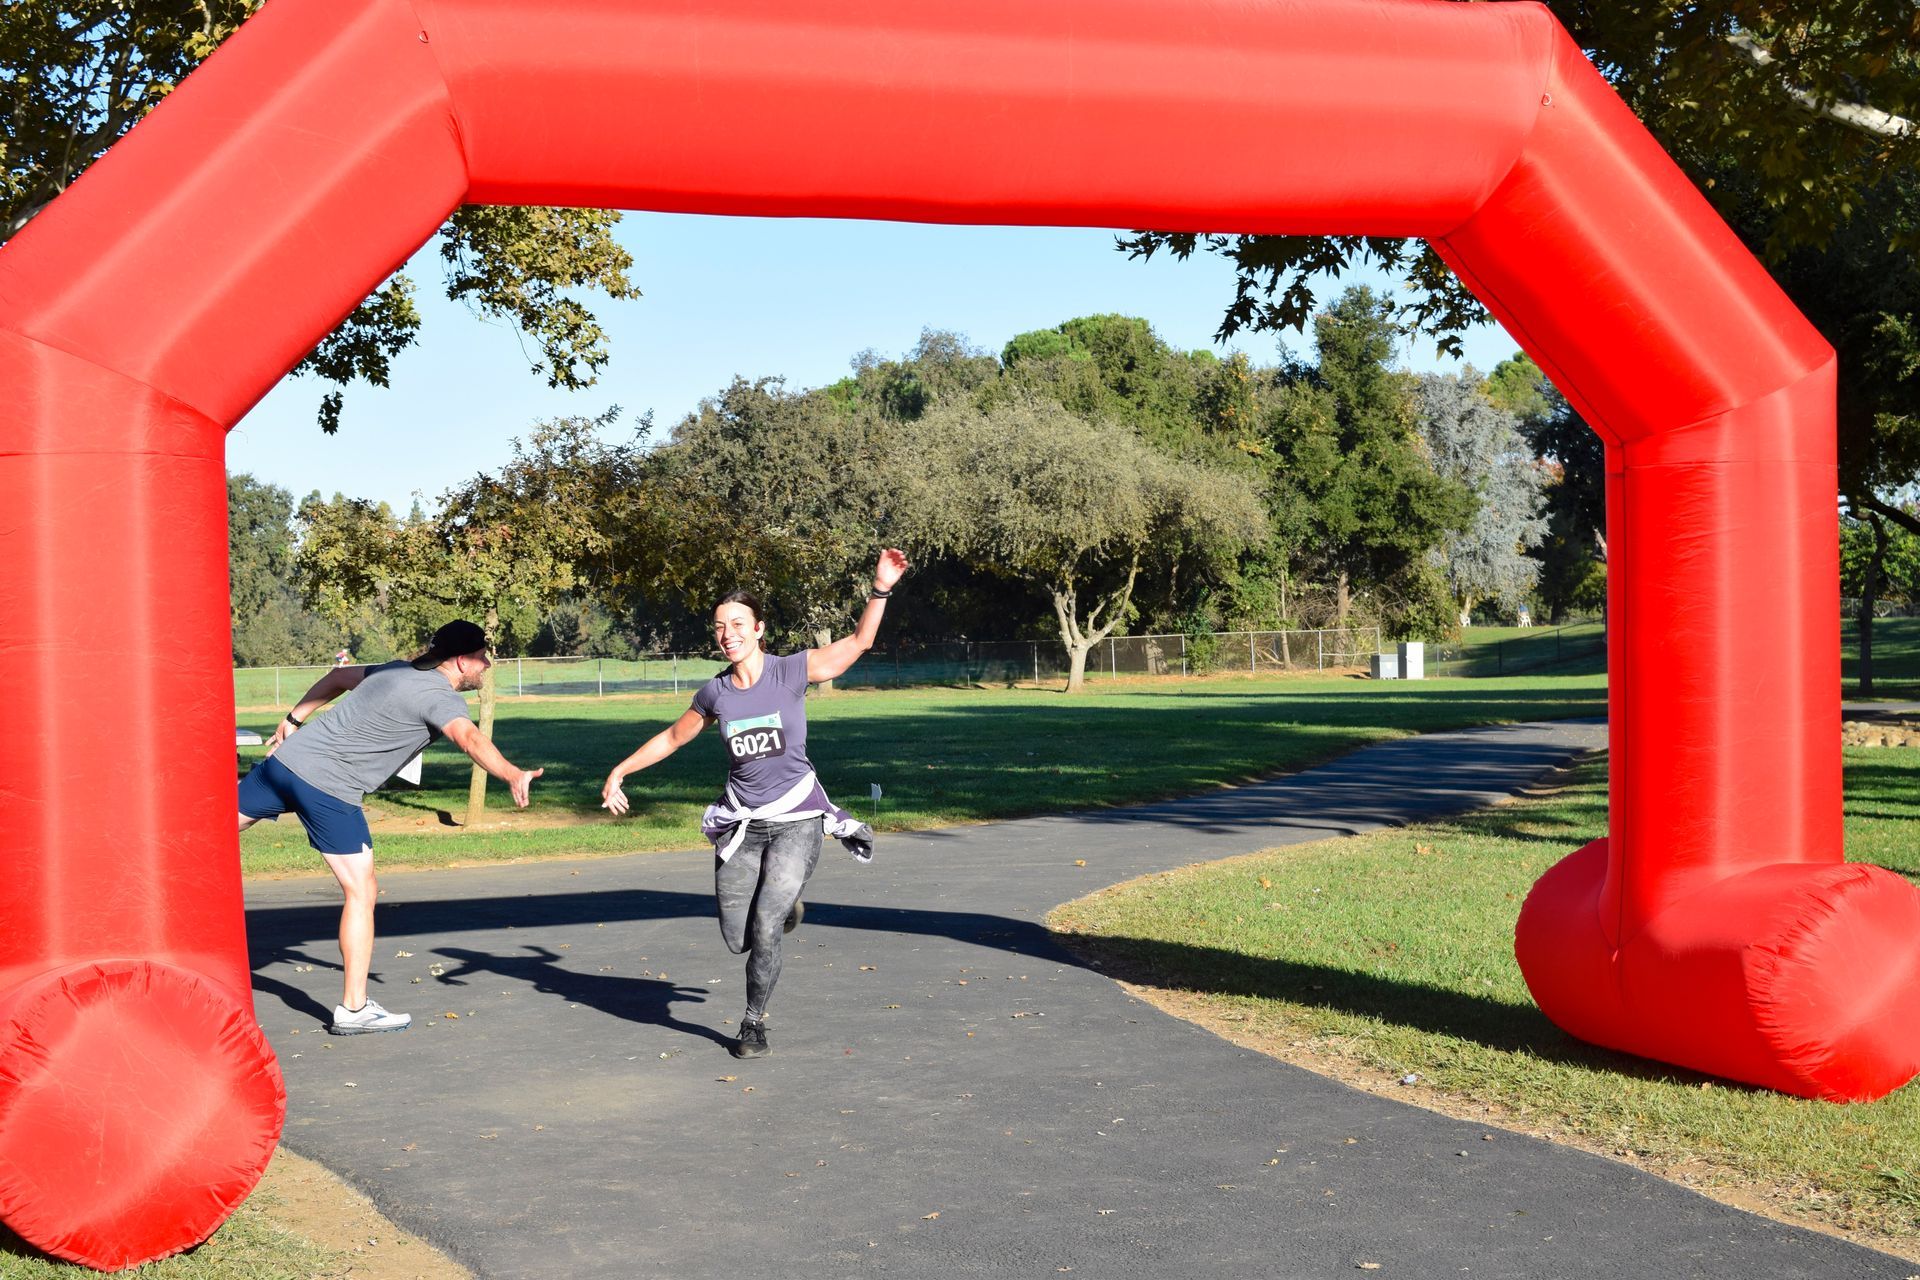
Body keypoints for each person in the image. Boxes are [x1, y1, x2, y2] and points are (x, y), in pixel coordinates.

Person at [601, 549, 909, 1059]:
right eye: (720, 626)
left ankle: (752, 1024)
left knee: (765, 925)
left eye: (738, 623)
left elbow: (859, 643)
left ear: (759, 628)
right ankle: (787, 912)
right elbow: (674, 738)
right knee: (736, 937)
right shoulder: (715, 694)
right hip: (742, 823)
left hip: (797, 817)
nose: (728, 633)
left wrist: (880, 589)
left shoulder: (790, 672)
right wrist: (620, 770)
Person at [238, 620, 544, 1035]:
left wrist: (294, 718)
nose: (486, 665)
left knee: (206, 832)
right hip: (328, 788)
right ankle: (354, 1009)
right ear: (460, 660)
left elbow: (338, 676)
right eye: (481, 658)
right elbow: (470, 740)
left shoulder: (394, 669)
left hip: (285, 765)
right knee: (362, 891)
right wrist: (511, 774)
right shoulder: (442, 699)